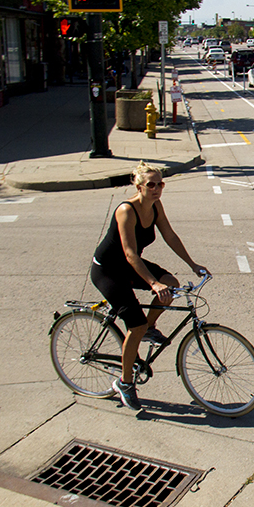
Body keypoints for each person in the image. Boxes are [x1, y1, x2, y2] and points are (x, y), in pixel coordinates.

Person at [90, 162, 208, 411]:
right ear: (139, 186)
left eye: (160, 184)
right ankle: (125, 382)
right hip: (109, 270)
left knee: (172, 285)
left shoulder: (155, 206)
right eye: (151, 185)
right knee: (136, 324)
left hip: (129, 266)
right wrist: (153, 283)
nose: (157, 189)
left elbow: (170, 236)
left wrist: (192, 264)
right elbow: (131, 253)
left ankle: (150, 327)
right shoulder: (126, 210)